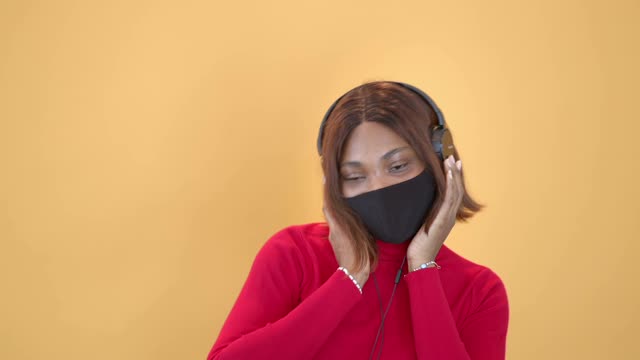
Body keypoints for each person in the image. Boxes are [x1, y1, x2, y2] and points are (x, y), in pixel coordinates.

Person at [206, 81, 509, 360]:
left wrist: (422, 270)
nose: (378, 188)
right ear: (335, 184)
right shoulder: (293, 253)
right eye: (355, 176)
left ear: (441, 161)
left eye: (398, 165)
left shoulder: (479, 292)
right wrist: (348, 279)